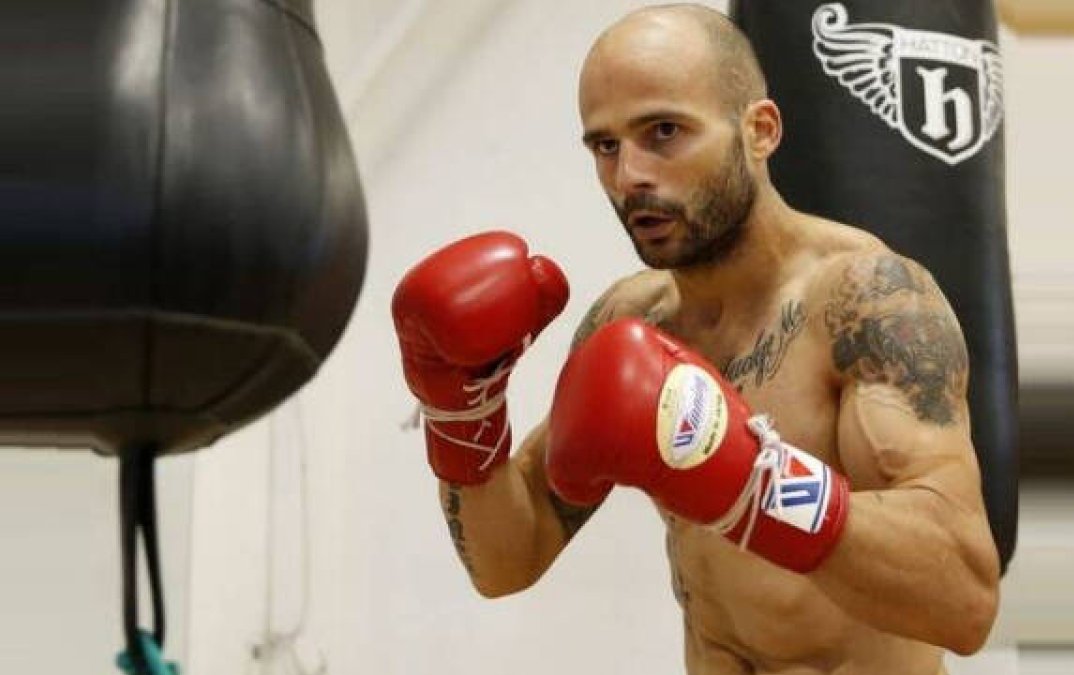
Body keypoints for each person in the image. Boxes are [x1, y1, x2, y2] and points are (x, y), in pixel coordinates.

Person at [391, 4, 1000, 673]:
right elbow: (510, 555)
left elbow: (964, 598)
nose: (630, 176)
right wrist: (461, 415)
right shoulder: (632, 321)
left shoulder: (865, 303)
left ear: (759, 131)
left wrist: (748, 481)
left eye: (663, 131)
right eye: (606, 145)